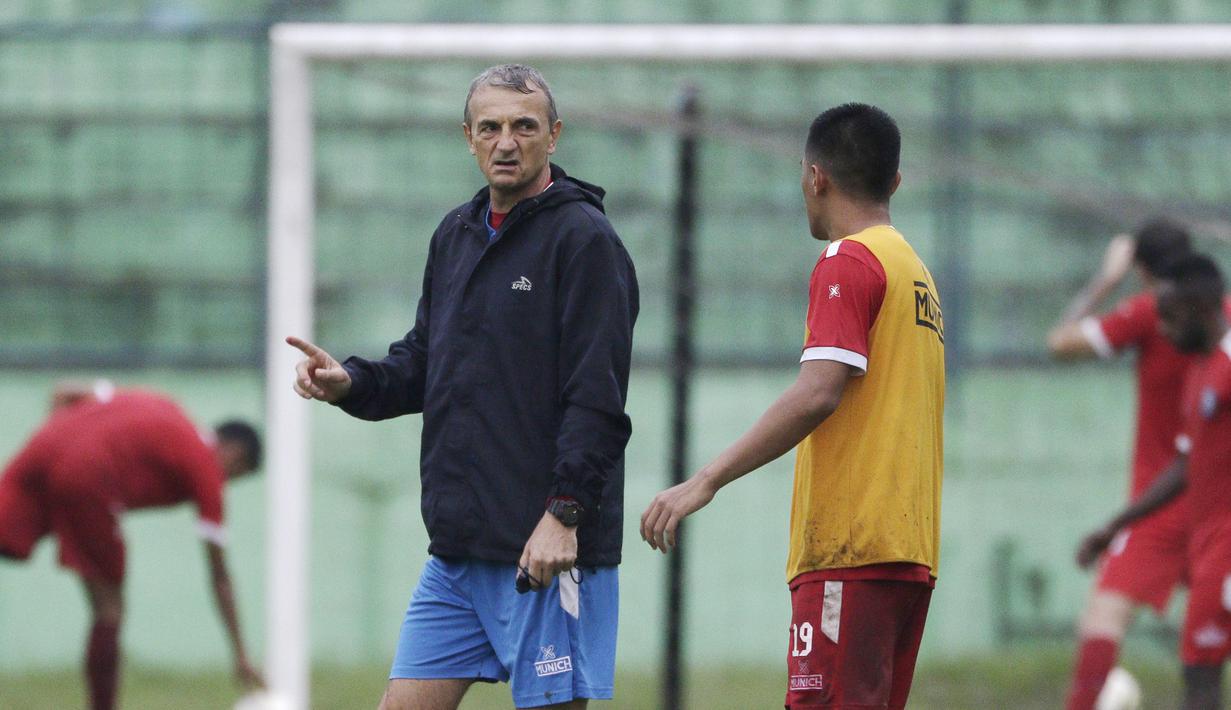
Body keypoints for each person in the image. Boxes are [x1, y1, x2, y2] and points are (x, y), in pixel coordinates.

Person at [286, 63, 638, 710]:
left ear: (553, 135)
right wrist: (351, 383)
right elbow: (425, 361)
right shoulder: (456, 233)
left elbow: (597, 399)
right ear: (468, 138)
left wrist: (564, 515)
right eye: (491, 127)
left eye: (524, 126)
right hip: (457, 554)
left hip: (543, 548)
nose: (507, 141)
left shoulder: (585, 241)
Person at [641, 103, 944, 709]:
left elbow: (818, 391)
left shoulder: (849, 261)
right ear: (896, 182)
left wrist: (704, 481)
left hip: (850, 548)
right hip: (908, 550)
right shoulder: (916, 272)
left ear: (815, 177)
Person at [0, 380, 263, 710]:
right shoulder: (206, 469)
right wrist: (240, 653)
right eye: (236, 475)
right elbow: (219, 574)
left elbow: (65, 393)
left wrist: (62, 452)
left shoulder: (166, 404)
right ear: (234, 454)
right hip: (89, 475)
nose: (227, 482)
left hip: (43, 448)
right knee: (110, 608)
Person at [1046, 220, 1198, 710]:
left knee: (1103, 619)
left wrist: (1105, 281)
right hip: (1217, 502)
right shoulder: (1224, 315)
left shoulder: (1147, 312)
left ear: (1142, 270)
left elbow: (1060, 343)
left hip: (1160, 503)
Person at [1076, 253, 1231, 710]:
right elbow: (1186, 465)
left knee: (1200, 676)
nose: (1162, 329)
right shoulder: (1200, 370)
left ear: (1203, 308)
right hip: (1209, 550)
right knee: (1199, 672)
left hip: (1226, 547)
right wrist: (1115, 525)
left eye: (1171, 317)